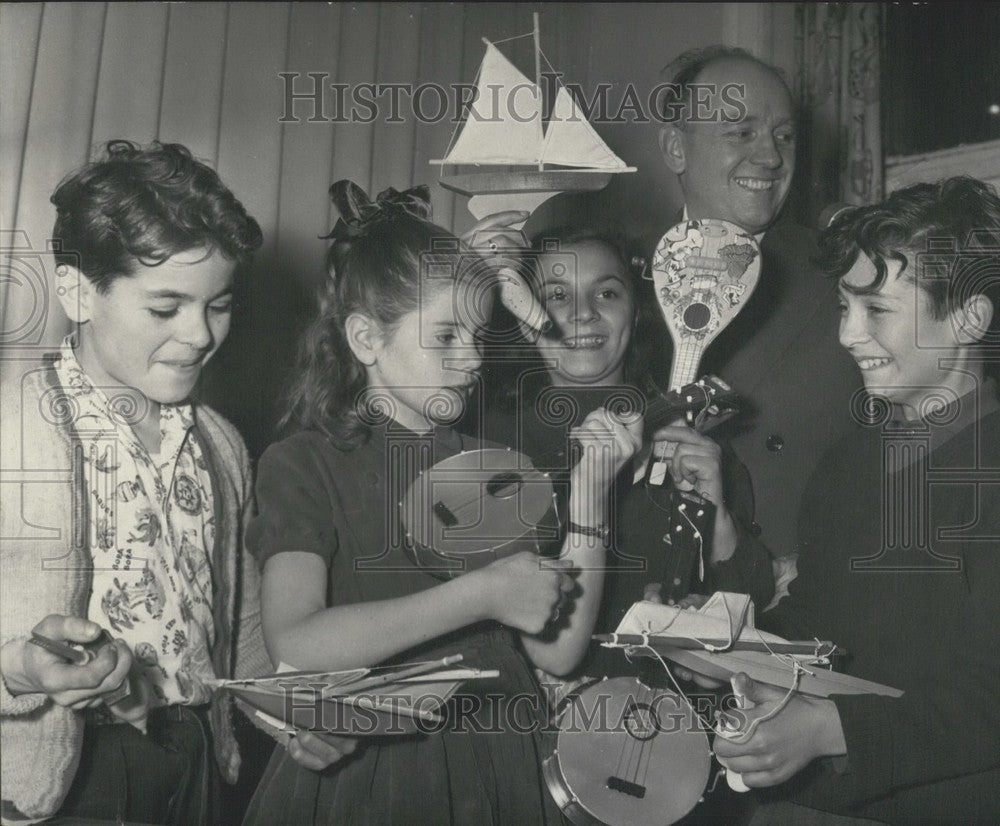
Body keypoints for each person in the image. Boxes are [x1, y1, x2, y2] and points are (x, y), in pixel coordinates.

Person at [240, 181, 638, 825]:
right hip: (371, 777)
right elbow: (298, 645)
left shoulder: (496, 464)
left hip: (502, 764)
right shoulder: (304, 464)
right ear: (367, 338)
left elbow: (556, 652)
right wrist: (478, 596)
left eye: (479, 338)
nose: (471, 360)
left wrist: (593, 490)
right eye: (446, 336)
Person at [0, 140, 346, 826]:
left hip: (194, 761)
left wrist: (290, 709)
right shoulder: (14, 427)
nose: (198, 335)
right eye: (165, 308)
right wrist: (20, 671)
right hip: (60, 782)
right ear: (75, 291)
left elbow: (239, 620)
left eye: (218, 305)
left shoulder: (219, 442)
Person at [711, 177, 1000, 825]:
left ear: (968, 318)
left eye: (876, 310)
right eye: (844, 307)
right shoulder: (847, 460)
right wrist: (729, 652)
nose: (847, 335)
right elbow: (818, 618)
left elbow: (991, 699)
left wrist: (828, 730)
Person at [532, 46, 863, 600]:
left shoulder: (847, 277)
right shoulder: (613, 286)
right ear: (675, 148)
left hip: (804, 608)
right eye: (741, 133)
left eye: (785, 137)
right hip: (632, 601)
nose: (771, 157)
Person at [482, 224, 774, 680]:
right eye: (557, 295)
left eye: (607, 294)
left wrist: (715, 519)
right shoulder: (486, 446)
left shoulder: (693, 436)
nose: (582, 314)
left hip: (661, 725)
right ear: (523, 314)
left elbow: (751, 604)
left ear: (637, 312)